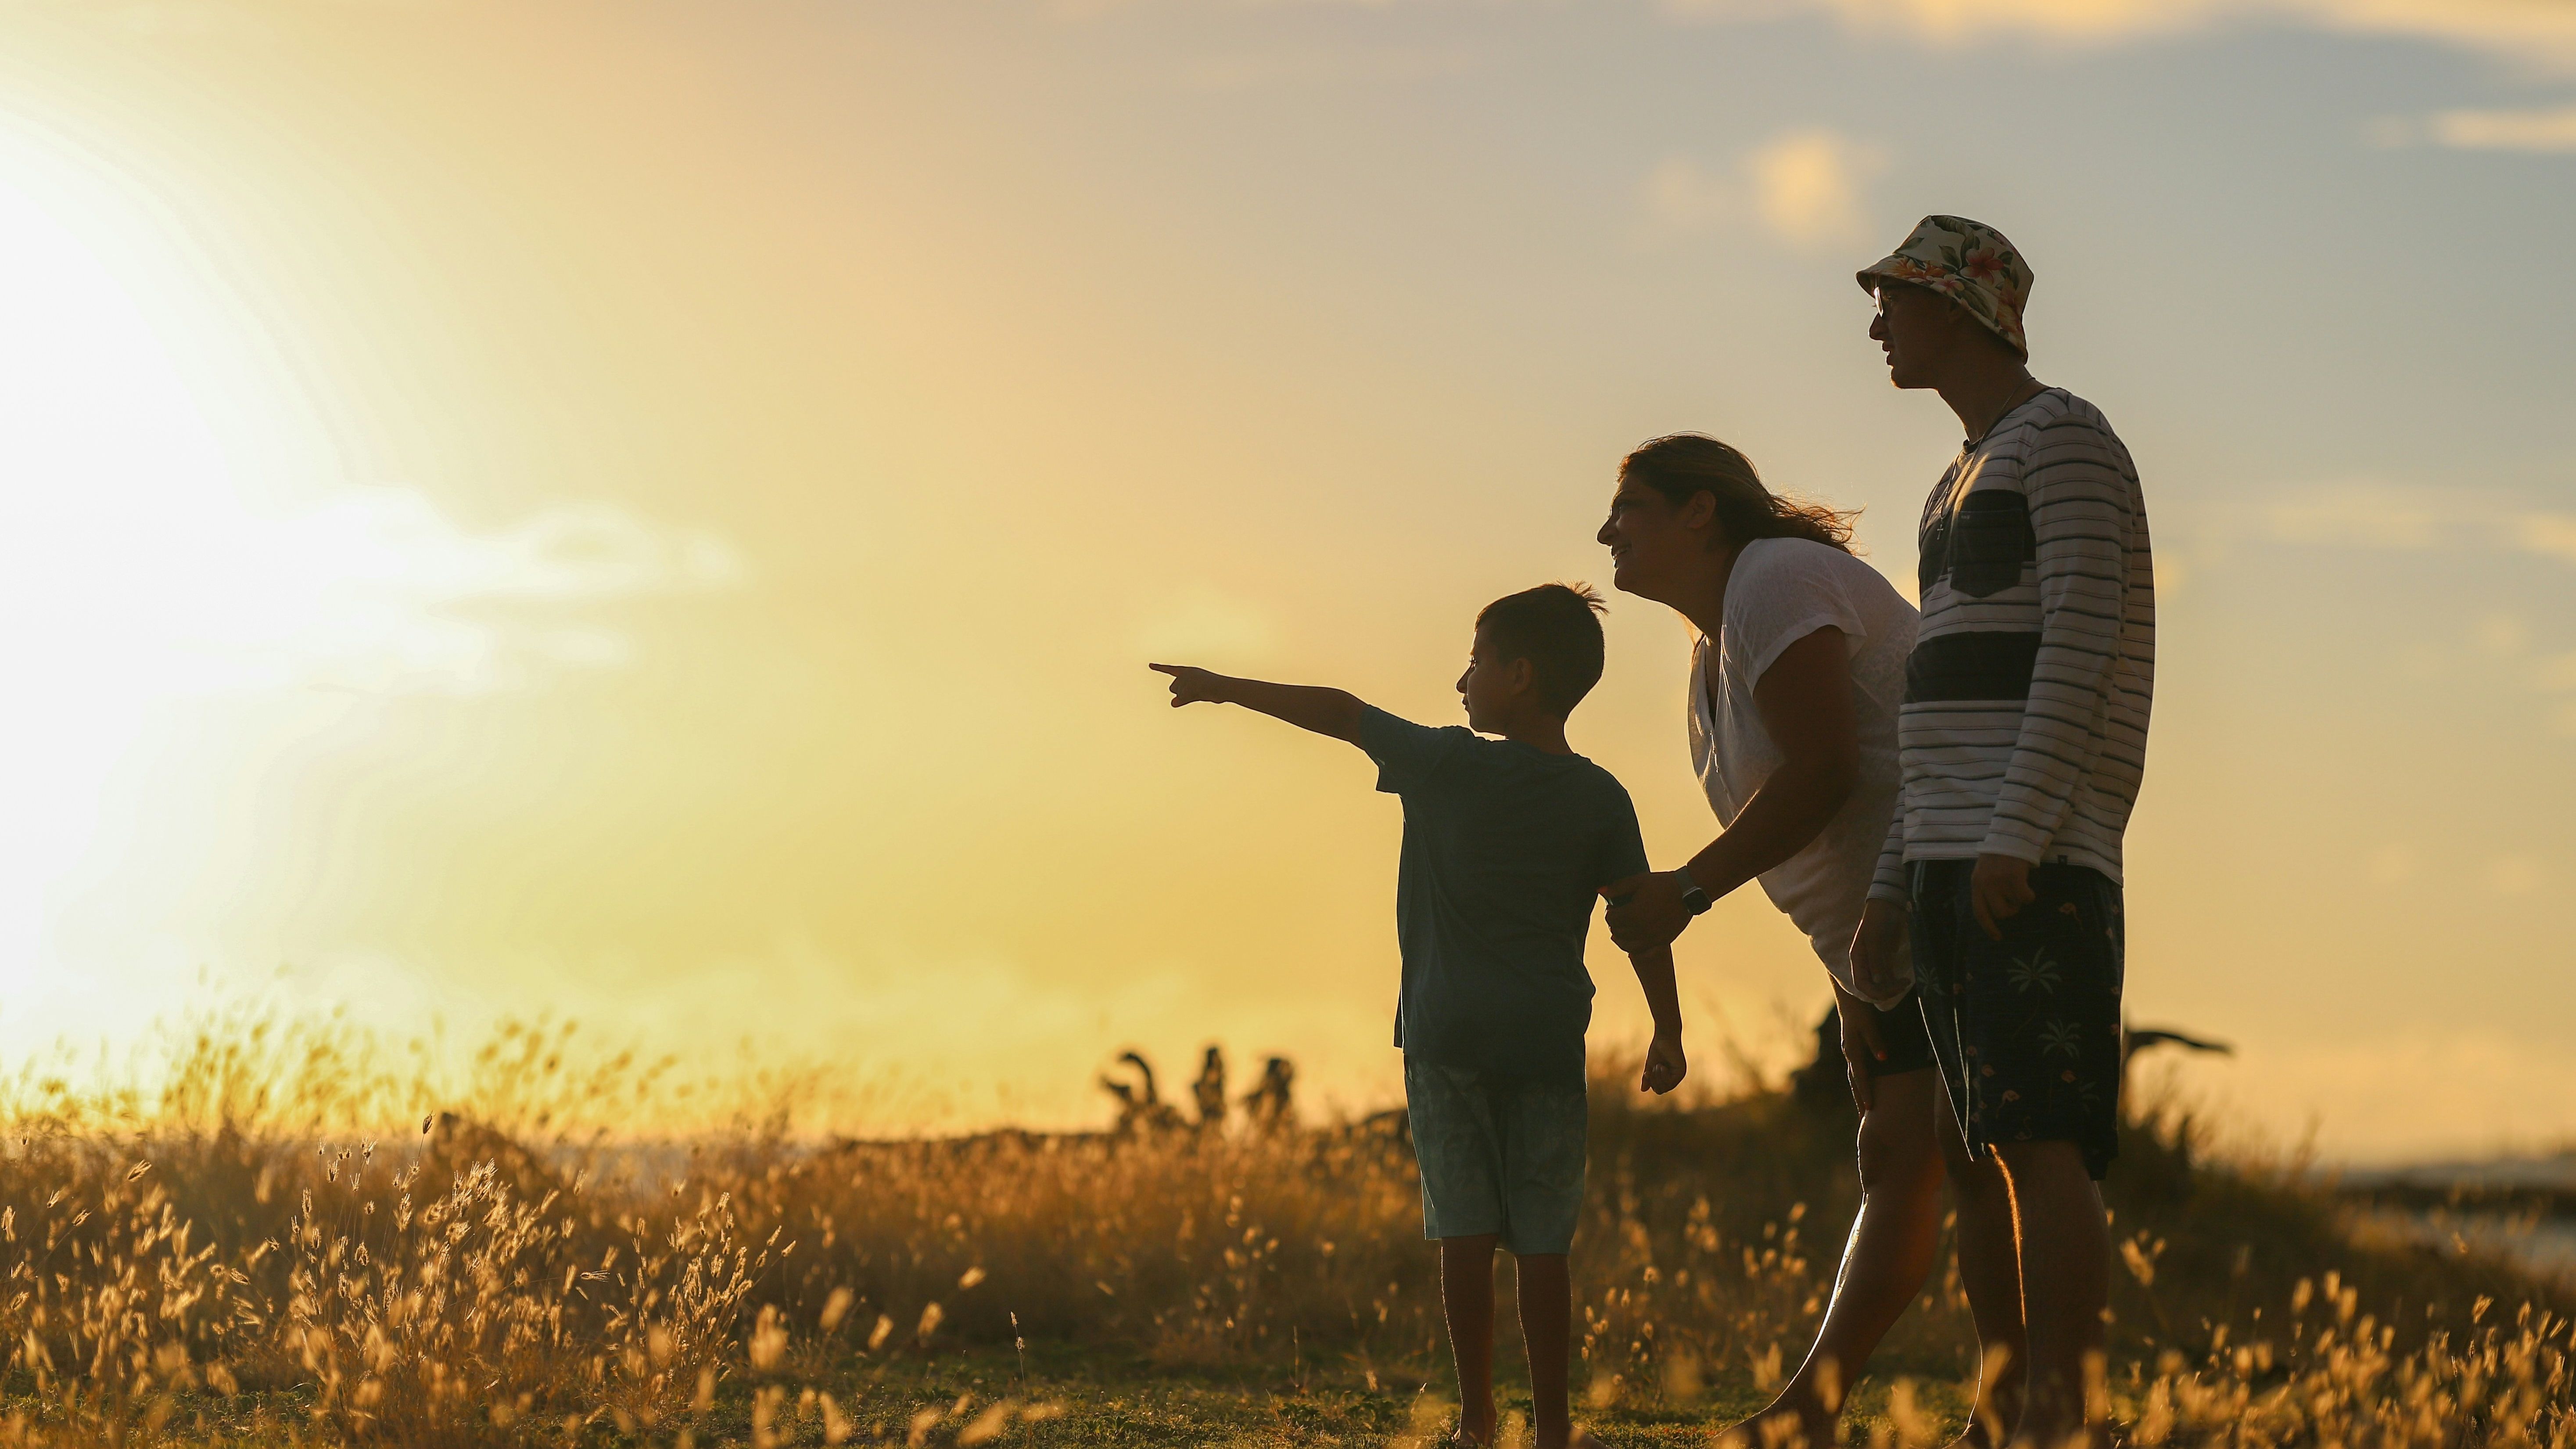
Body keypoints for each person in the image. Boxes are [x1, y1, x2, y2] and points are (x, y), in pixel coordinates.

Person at [1151, 583, 1685, 1449]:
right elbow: (1639, 919)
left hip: (1446, 1038)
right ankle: (1554, 1430)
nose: (1462, 679)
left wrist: (1226, 686)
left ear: (1518, 675)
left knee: (1465, 1232)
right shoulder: (1601, 797)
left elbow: (1341, 712)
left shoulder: (1446, 762)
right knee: (1544, 1242)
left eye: (1475, 661)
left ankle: (1476, 1421)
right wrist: (1669, 1028)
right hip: (1548, 1040)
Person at [1596, 434, 2017, 1445]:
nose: (1608, 531)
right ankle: (1909, 1410)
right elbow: (1832, 810)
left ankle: (2012, 1411)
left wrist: (1688, 890)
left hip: (1955, 886)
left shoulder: (1774, 581)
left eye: (1631, 508)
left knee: (1973, 1159)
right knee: (1908, 1159)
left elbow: (1828, 769)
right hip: (1888, 930)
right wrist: (1847, 988)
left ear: (1701, 512)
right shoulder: (1718, 644)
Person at [1848, 215, 2155, 1448]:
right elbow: (1932, 698)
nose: (1876, 324)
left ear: (1962, 313)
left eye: (1895, 300)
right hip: (1942, 858)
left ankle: (2054, 1418)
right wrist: (1887, 880)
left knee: (2036, 1133)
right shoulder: (1953, 477)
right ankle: (1997, 1406)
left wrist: (2019, 830)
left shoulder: (2067, 441)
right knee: (1967, 1144)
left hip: (2026, 856)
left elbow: (2084, 643)